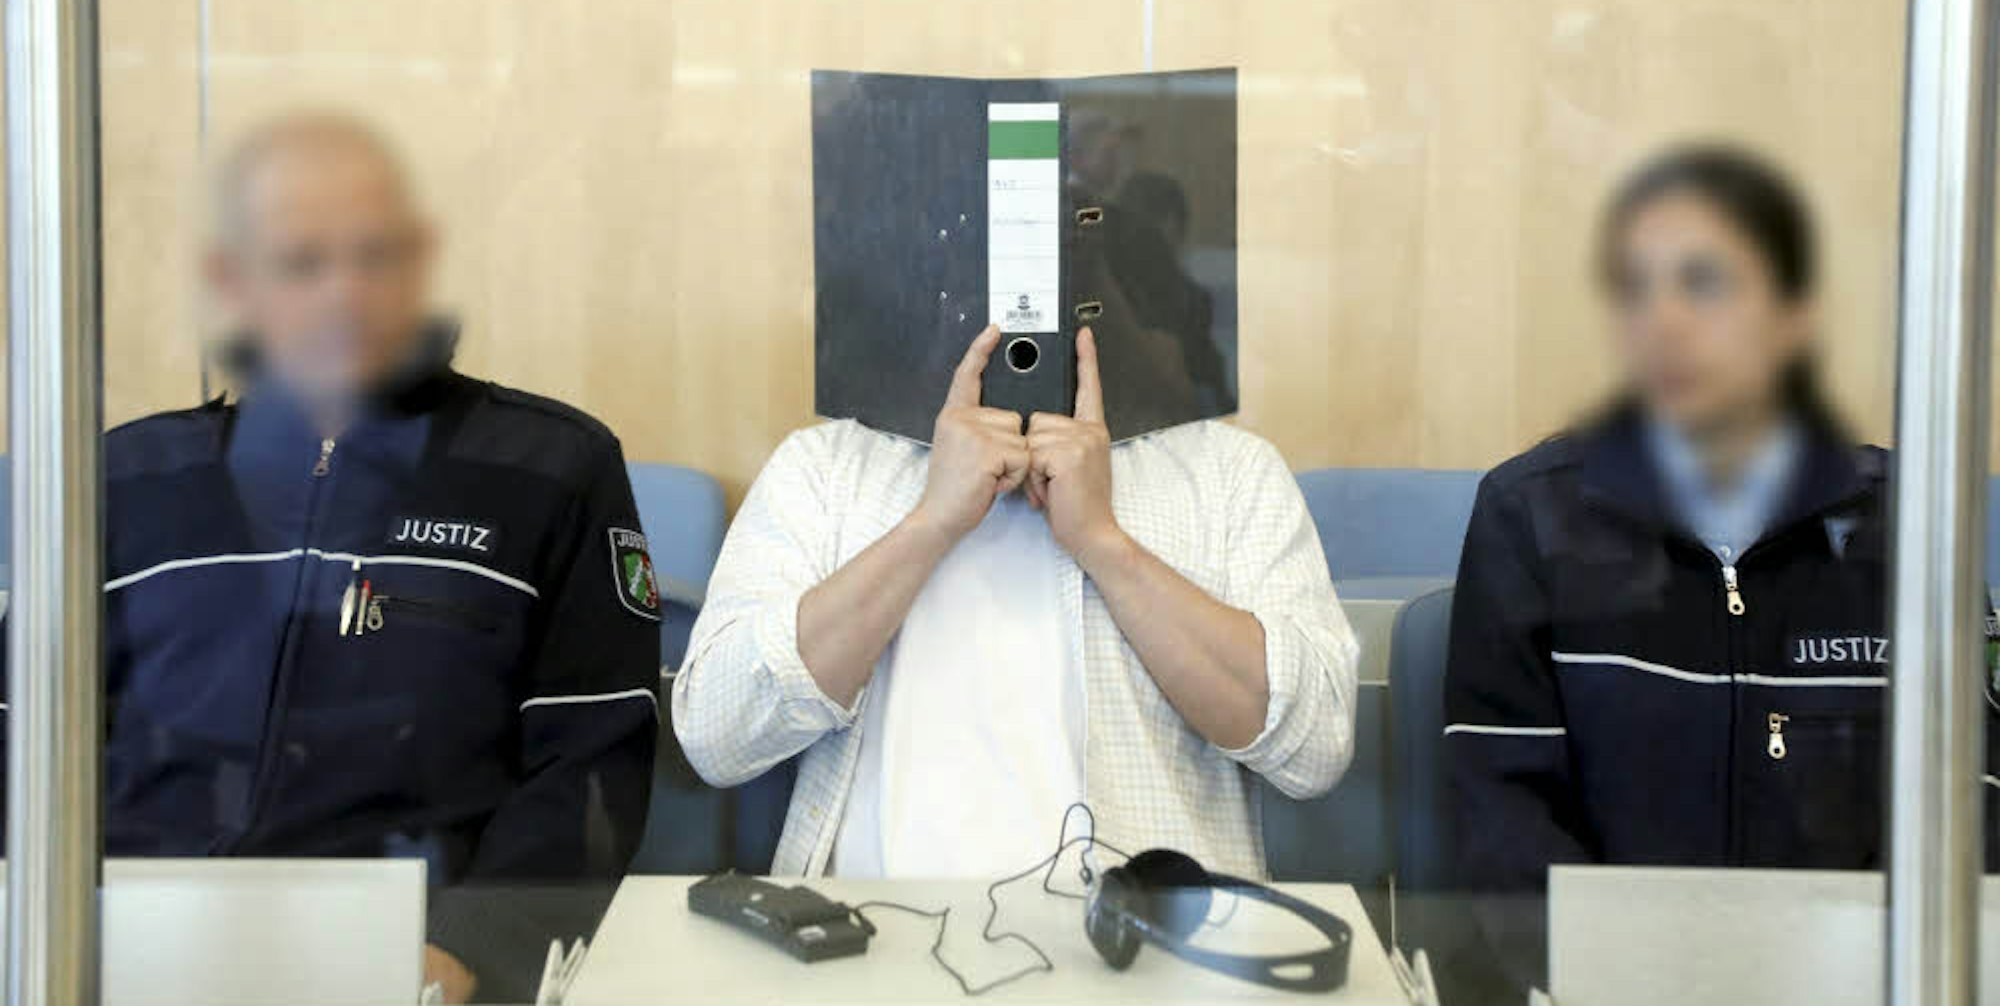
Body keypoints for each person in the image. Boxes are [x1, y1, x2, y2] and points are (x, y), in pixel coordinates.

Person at [11, 112, 661, 1002]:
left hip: (415, 961)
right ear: (235, 282)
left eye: (374, 256)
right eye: (301, 262)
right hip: (127, 947)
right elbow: (21, 737)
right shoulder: (121, 476)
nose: (343, 292)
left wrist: (468, 952)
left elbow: (593, 760)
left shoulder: (550, 467)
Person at [1442, 145, 2000, 1001]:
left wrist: (1862, 980)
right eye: (1641, 291)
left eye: (1708, 285)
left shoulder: (1916, 524)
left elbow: (1972, 807)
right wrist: (1611, 979)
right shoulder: (1531, 517)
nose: (1670, 322)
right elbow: (1502, 819)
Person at [672, 326, 1357, 879]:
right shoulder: (825, 468)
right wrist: (931, 523)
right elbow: (715, 735)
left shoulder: (1229, 470)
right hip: (866, 948)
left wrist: (1103, 542)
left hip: (1151, 956)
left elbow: (1316, 747)